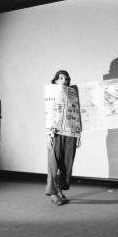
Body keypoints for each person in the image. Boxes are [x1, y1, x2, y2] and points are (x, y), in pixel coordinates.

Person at [45, 70, 81, 205]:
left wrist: (78, 134)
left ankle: (59, 189)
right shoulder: (50, 93)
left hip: (70, 133)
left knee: (67, 165)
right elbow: (48, 114)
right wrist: (49, 134)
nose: (63, 80)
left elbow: (76, 113)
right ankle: (53, 193)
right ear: (55, 81)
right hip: (55, 132)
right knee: (53, 164)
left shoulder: (72, 93)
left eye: (65, 78)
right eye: (60, 78)